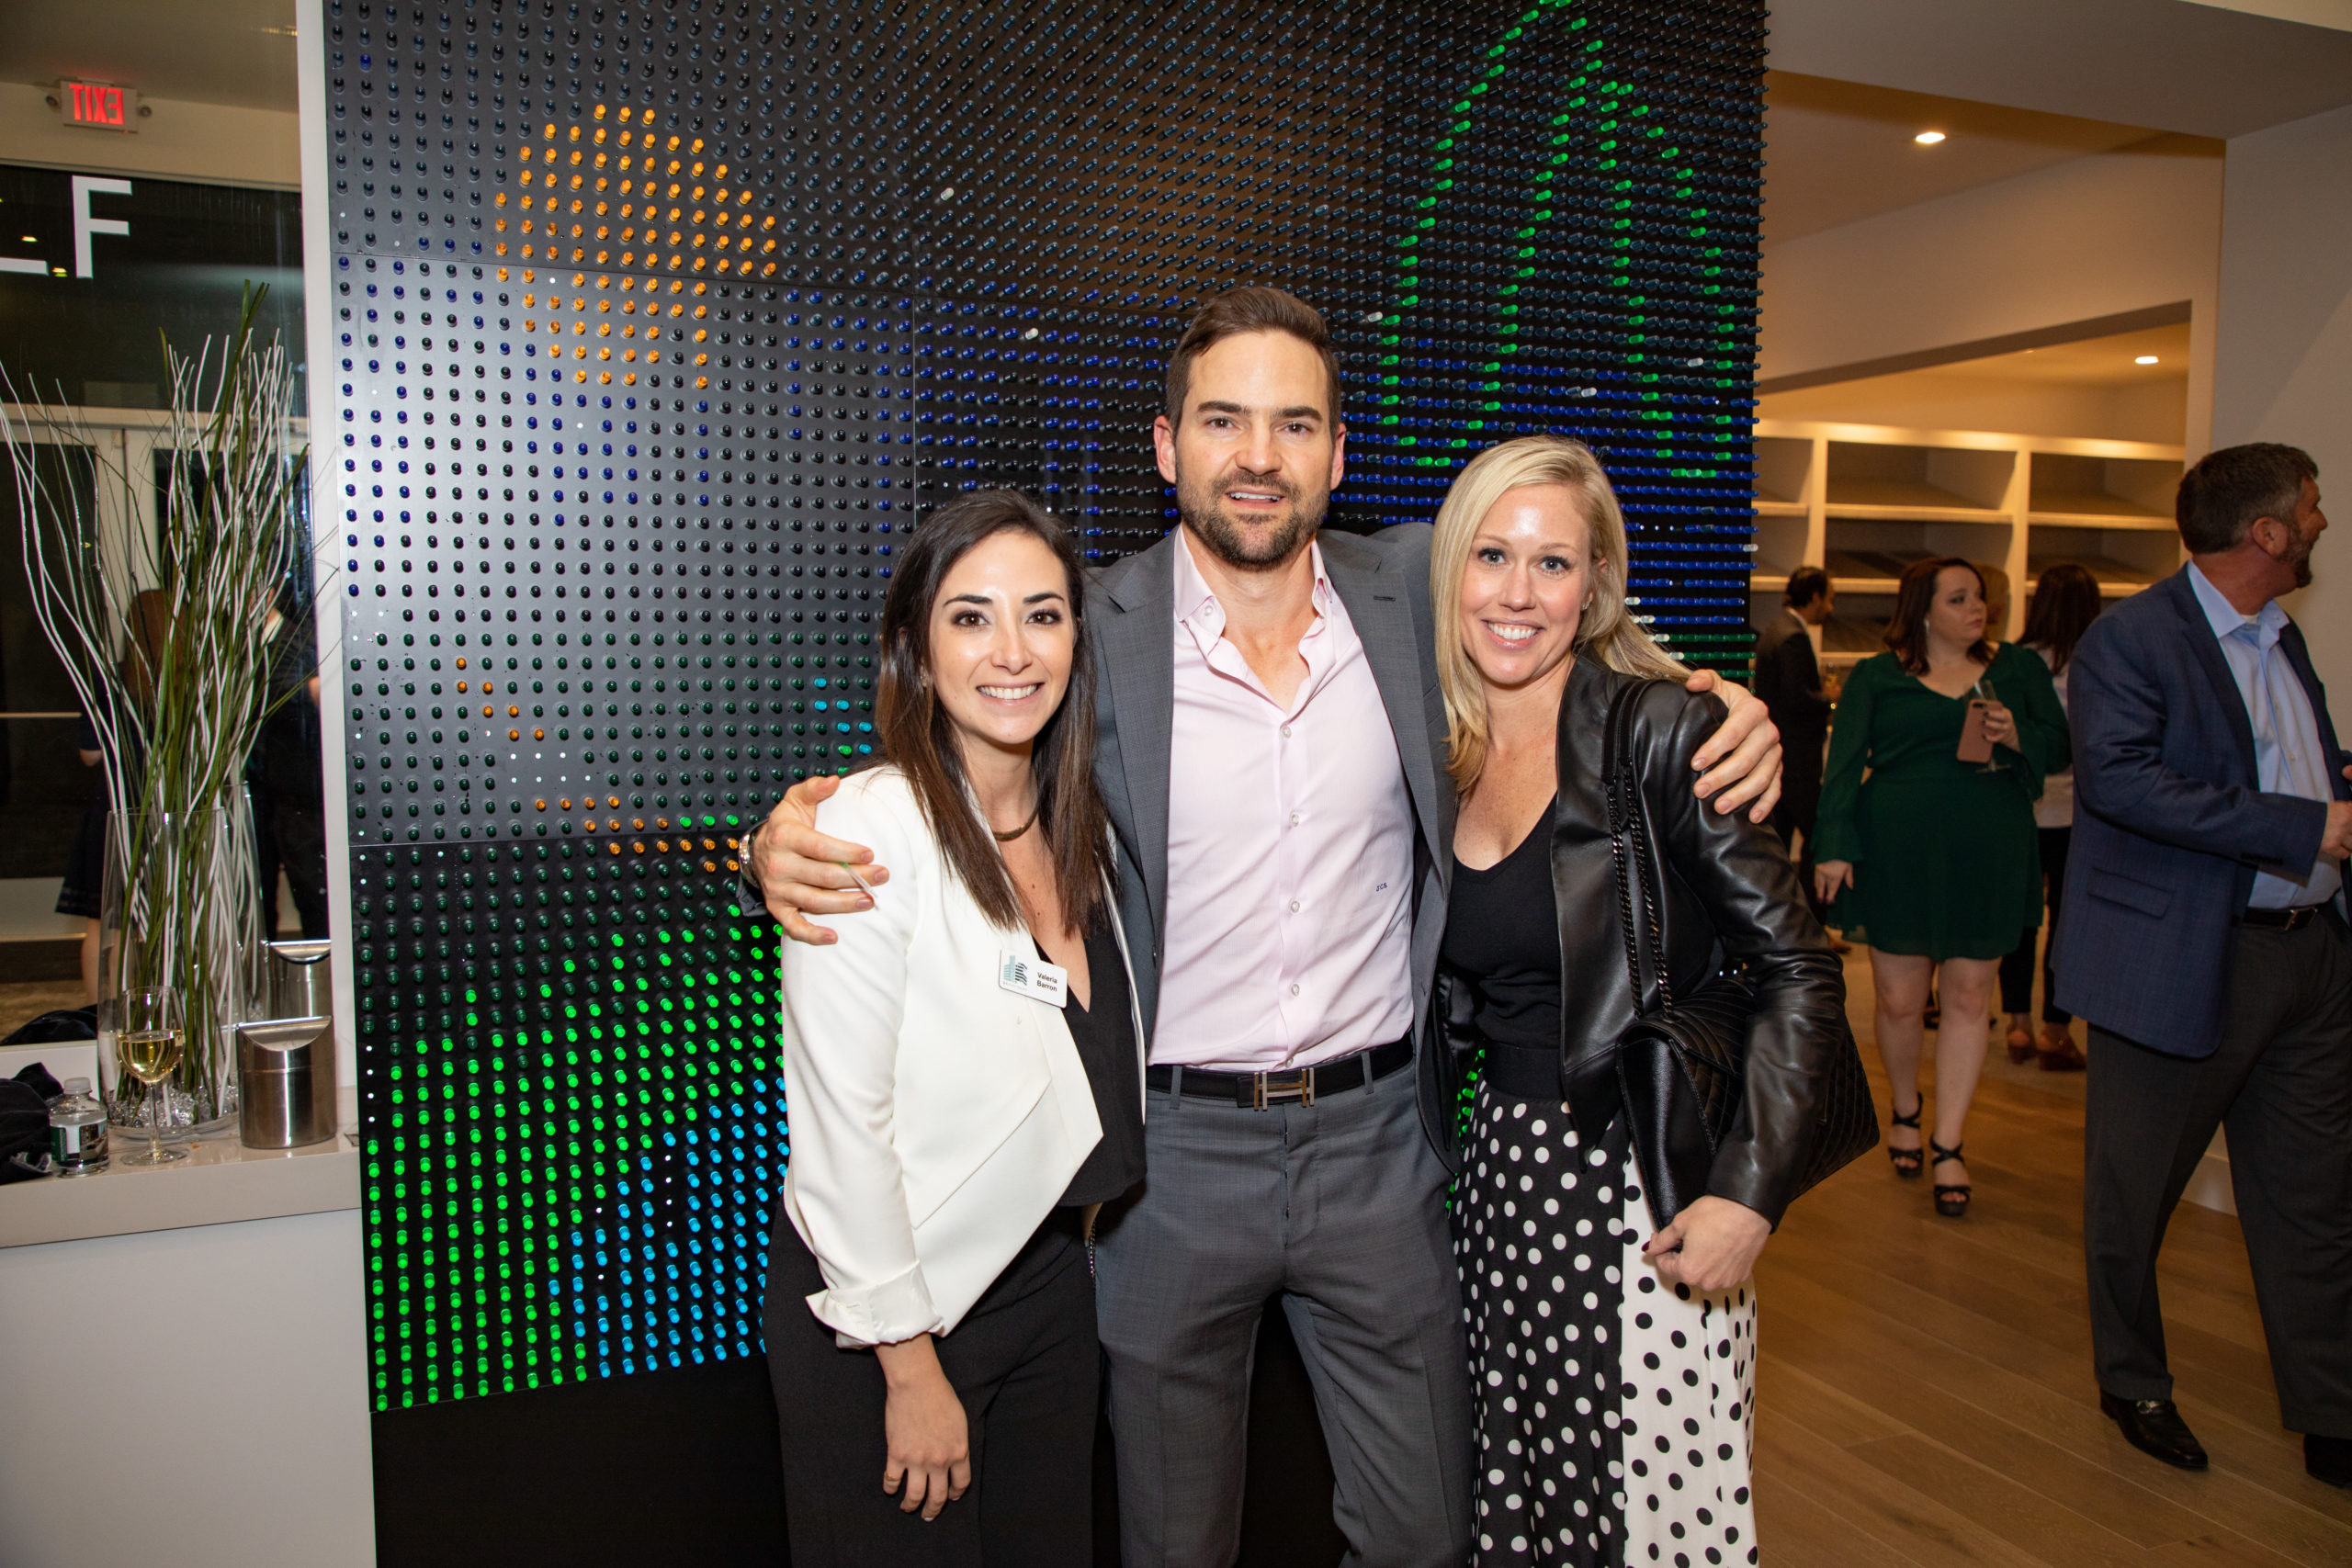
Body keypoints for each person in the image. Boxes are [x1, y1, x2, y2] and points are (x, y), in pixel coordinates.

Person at [744, 286, 1786, 1568]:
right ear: (1166, 445)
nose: (1257, 455)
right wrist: (777, 842)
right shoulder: (1087, 627)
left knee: (1422, 1530)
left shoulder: (1414, 590)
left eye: (1294, 424)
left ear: (1337, 455)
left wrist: (1721, 704)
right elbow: (961, 761)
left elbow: (1564, 617)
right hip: (1168, 1164)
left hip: (1380, 1145)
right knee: (1175, 1537)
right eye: (1223, 420)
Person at [1433, 436, 1847, 1566]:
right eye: (1491, 555)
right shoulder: (1445, 748)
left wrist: (1748, 1195)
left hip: (1642, 1187)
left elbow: (1800, 968)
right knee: (1513, 1503)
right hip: (1495, 1185)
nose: (1517, 593)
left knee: (1653, 1517)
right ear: (1448, 572)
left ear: (1595, 584)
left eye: (1553, 563)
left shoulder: (1663, 730)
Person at [763, 489, 1148, 1564]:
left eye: (1042, 613)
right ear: (919, 651)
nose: (1012, 651)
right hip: (889, 1320)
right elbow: (842, 1131)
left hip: (1045, 1300)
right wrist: (908, 1362)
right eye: (971, 617)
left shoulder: (1089, 837)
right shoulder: (867, 830)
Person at [2054, 443, 2352, 1489]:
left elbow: (2273, 761)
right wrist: (2311, 823)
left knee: (2314, 1195)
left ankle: (2332, 1407)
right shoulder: (2130, 641)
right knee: (2134, 1197)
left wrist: (2334, 786)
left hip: (2308, 961)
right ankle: (2131, 1381)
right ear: (2265, 533)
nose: (2320, 522)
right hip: (2176, 958)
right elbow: (2127, 785)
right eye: (2308, 509)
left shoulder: (2279, 640)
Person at [1814, 558, 2067, 1218]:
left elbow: (2062, 746)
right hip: (1898, 848)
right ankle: (1904, 1105)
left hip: (1990, 846)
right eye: (1959, 599)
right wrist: (1834, 845)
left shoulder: (2018, 669)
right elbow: (1842, 769)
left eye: (1980, 597)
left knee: (1968, 993)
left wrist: (2019, 733)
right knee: (1899, 999)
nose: (1977, 608)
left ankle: (1950, 1142)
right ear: (1923, 610)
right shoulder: (1876, 676)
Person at [1997, 563, 2100, 1071]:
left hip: (2021, 807)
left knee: (2021, 920)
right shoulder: (2099, 659)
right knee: (2068, 922)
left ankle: (2016, 1024)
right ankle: (2055, 1030)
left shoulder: (2017, 661)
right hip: (2080, 812)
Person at [1752, 565, 1835, 923]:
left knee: (1778, 847)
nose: (1830, 608)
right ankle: (1813, 923)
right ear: (1814, 597)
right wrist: (1829, 699)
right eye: (1829, 599)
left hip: (1783, 758)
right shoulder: (1792, 637)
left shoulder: (1775, 629)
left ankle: (1782, 921)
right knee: (1821, 838)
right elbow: (1795, 698)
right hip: (1797, 761)